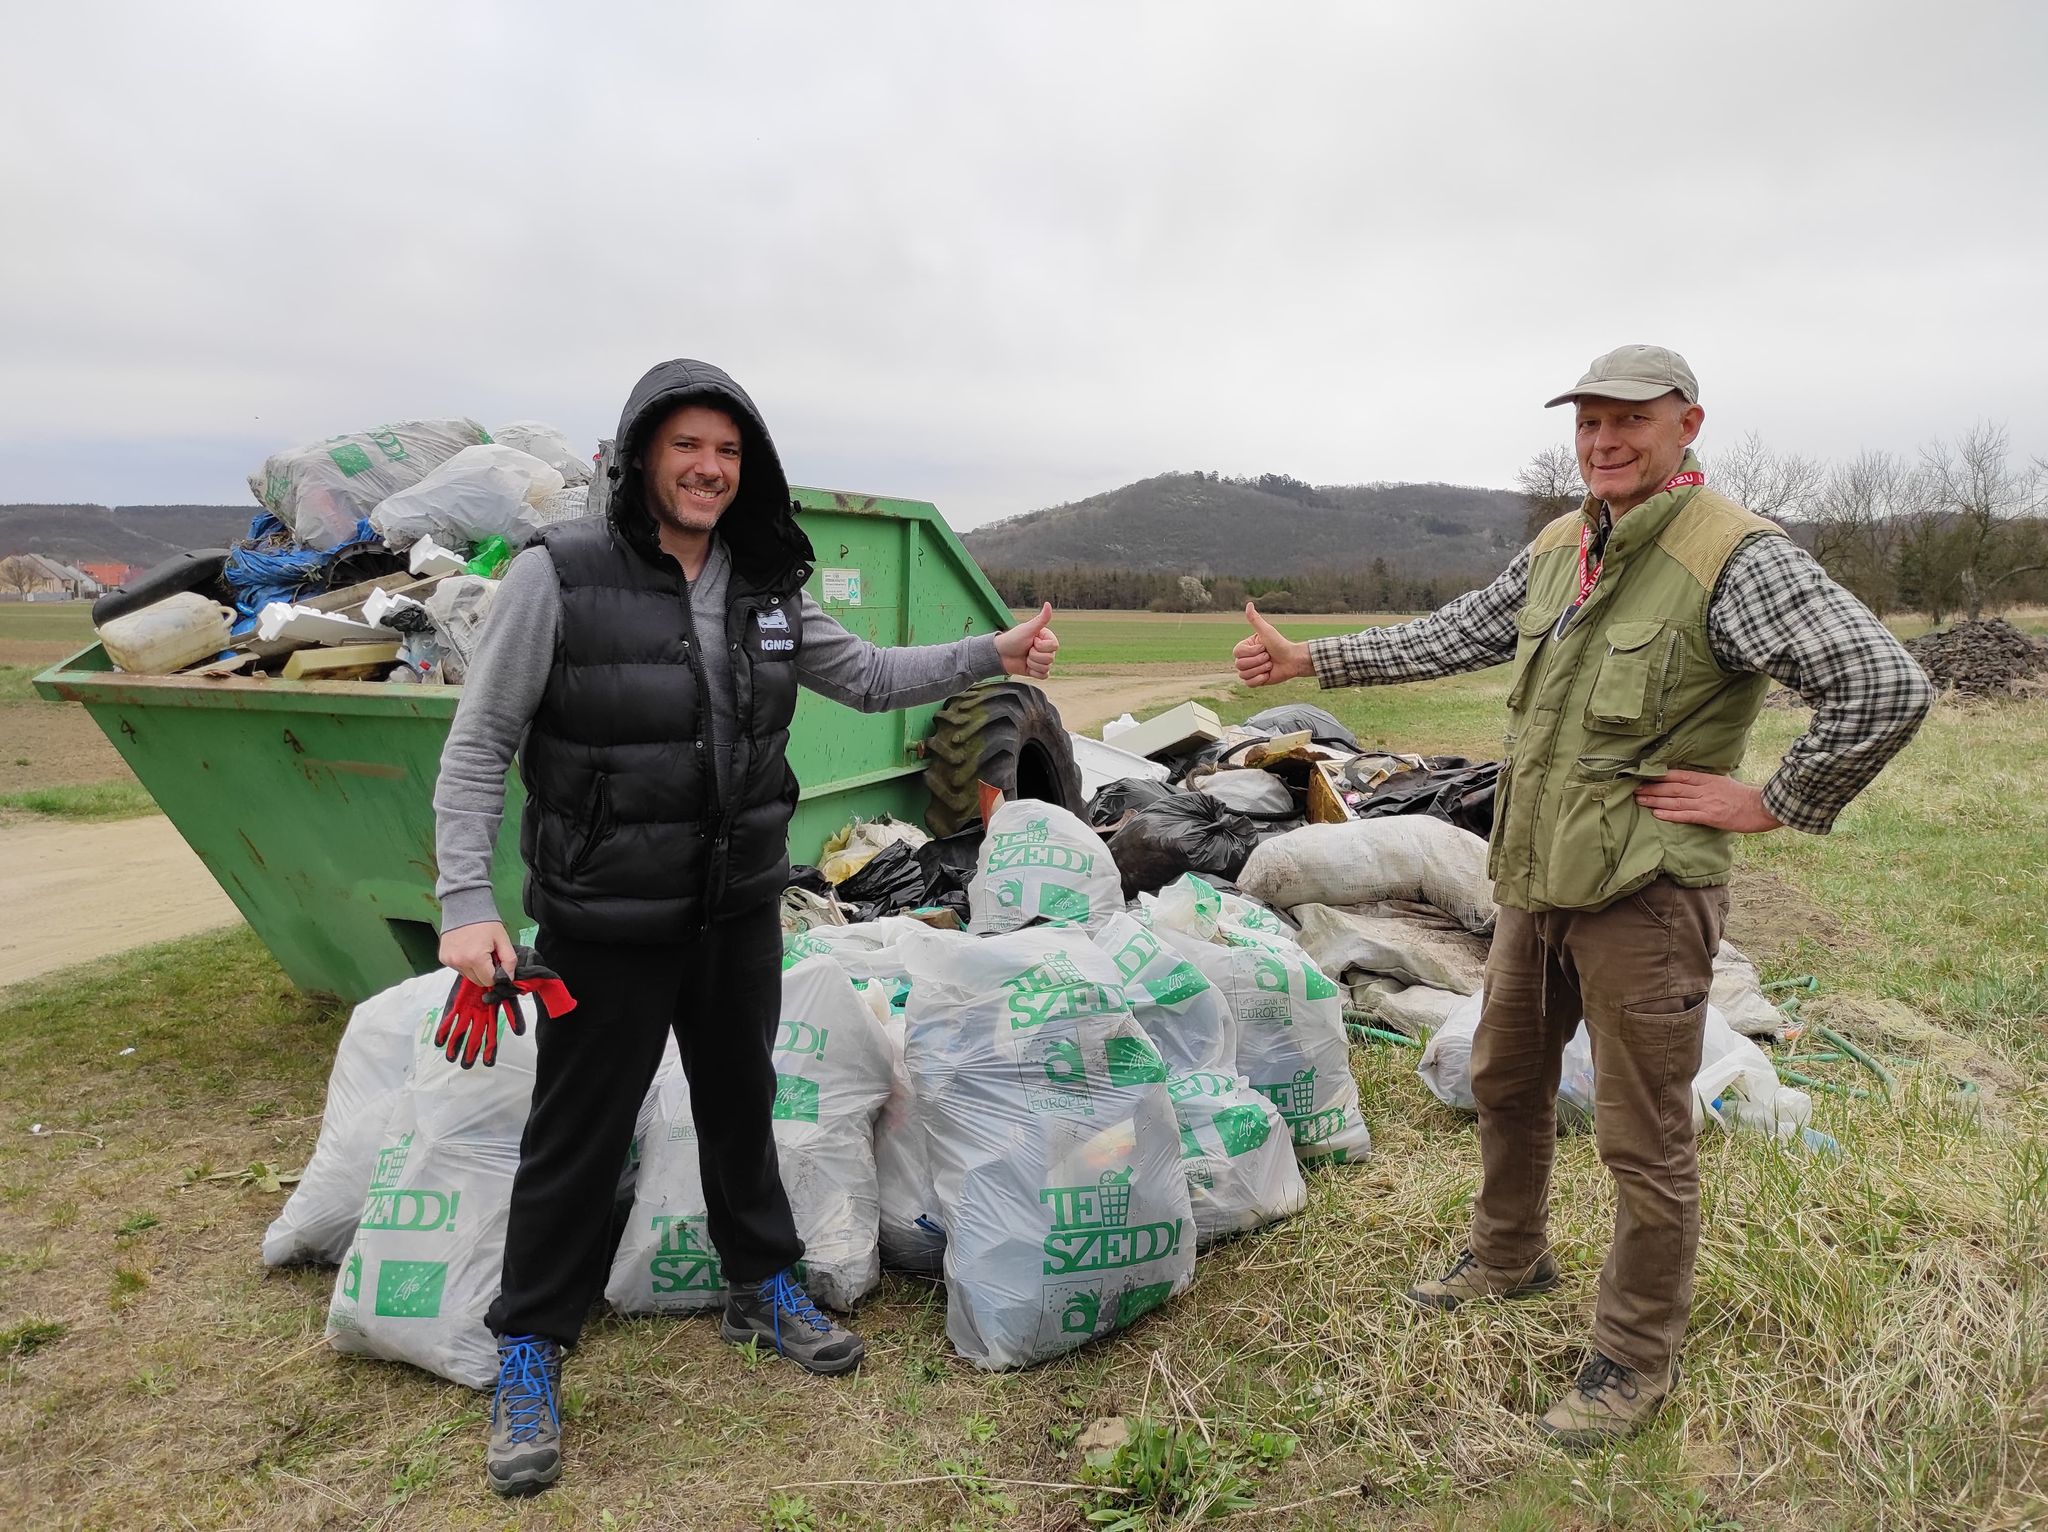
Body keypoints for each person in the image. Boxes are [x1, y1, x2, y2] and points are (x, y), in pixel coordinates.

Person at [1233, 344, 1933, 1449]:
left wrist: (1773, 800)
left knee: (1640, 1131)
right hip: (1535, 872)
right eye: (1587, 425)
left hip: (1645, 892)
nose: (1602, 443)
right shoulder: (1567, 543)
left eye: (1628, 423)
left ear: (1686, 426)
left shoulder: (1732, 556)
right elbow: (1453, 631)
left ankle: (1631, 1354)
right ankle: (1508, 1253)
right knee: (1503, 1071)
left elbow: (1883, 682)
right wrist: (1312, 660)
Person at [432, 358, 1060, 1496]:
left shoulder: (765, 583)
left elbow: (867, 676)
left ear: (747, 466)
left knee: (739, 1101)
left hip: (733, 906)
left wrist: (991, 653)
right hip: (603, 917)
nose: (708, 468)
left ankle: (758, 1284)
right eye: (687, 447)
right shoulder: (558, 575)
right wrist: (466, 906)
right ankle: (527, 1344)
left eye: (727, 451)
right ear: (640, 457)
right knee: (577, 1131)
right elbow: (478, 746)